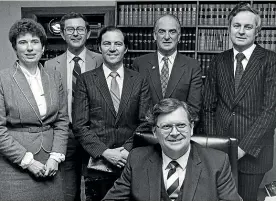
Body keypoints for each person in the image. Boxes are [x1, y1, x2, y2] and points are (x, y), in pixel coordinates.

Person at [203, 3, 276, 201]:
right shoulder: (218, 61)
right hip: (219, 152)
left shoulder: (270, 60)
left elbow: (271, 111)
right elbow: (208, 107)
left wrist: (242, 149)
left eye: (248, 27)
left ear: (257, 31)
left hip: (253, 154)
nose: (241, 31)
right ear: (229, 28)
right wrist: (216, 144)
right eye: (236, 26)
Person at [103, 98, 241, 201]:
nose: (174, 132)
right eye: (166, 127)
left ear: (191, 128)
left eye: (181, 125)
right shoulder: (137, 158)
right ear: (155, 132)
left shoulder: (217, 162)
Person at [72, 26, 151, 201]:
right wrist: (105, 152)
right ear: (100, 47)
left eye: (118, 43)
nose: (112, 48)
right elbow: (79, 125)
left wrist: (126, 150)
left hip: (129, 162)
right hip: (97, 166)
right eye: (107, 43)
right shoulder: (85, 80)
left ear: (126, 48)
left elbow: (146, 122)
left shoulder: (139, 80)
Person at [0, 18, 68, 201]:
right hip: (15, 165)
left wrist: (56, 156)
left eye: (35, 42)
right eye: (23, 42)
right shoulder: (3, 79)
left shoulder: (54, 77)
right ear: (15, 48)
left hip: (50, 164)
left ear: (43, 47)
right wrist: (27, 161)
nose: (29, 48)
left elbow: (62, 121)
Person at [44, 12, 102, 201]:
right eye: (70, 29)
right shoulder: (50, 65)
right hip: (65, 135)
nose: (75, 33)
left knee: (97, 190)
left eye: (80, 29)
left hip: (95, 134)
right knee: (67, 191)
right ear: (62, 34)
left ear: (88, 33)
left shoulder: (102, 60)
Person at [133, 14, 202, 117]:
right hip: (147, 130)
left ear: (179, 36)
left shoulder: (192, 66)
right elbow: (135, 106)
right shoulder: (139, 64)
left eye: (172, 32)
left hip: (178, 129)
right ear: (155, 36)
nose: (166, 37)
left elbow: (193, 108)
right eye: (162, 32)